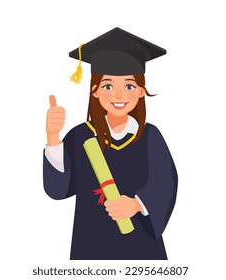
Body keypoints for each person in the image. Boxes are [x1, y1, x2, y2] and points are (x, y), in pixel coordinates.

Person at [43, 27, 178, 260]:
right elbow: (58, 190)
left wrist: (137, 205)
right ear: (94, 91)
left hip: (141, 250)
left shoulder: (149, 136)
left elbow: (165, 182)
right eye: (107, 86)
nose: (118, 95)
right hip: (91, 245)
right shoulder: (81, 136)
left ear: (141, 92)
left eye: (128, 86)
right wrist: (53, 138)